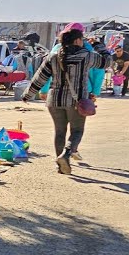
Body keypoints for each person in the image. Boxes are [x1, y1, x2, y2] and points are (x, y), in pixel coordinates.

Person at [22, 28, 98, 175]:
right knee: (77, 130)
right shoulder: (87, 56)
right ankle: (66, 155)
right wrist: (99, 46)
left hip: (54, 100)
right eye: (82, 40)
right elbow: (106, 62)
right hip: (75, 101)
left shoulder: (53, 56)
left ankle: (61, 166)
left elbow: (40, 77)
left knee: (59, 131)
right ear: (77, 40)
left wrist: (28, 94)